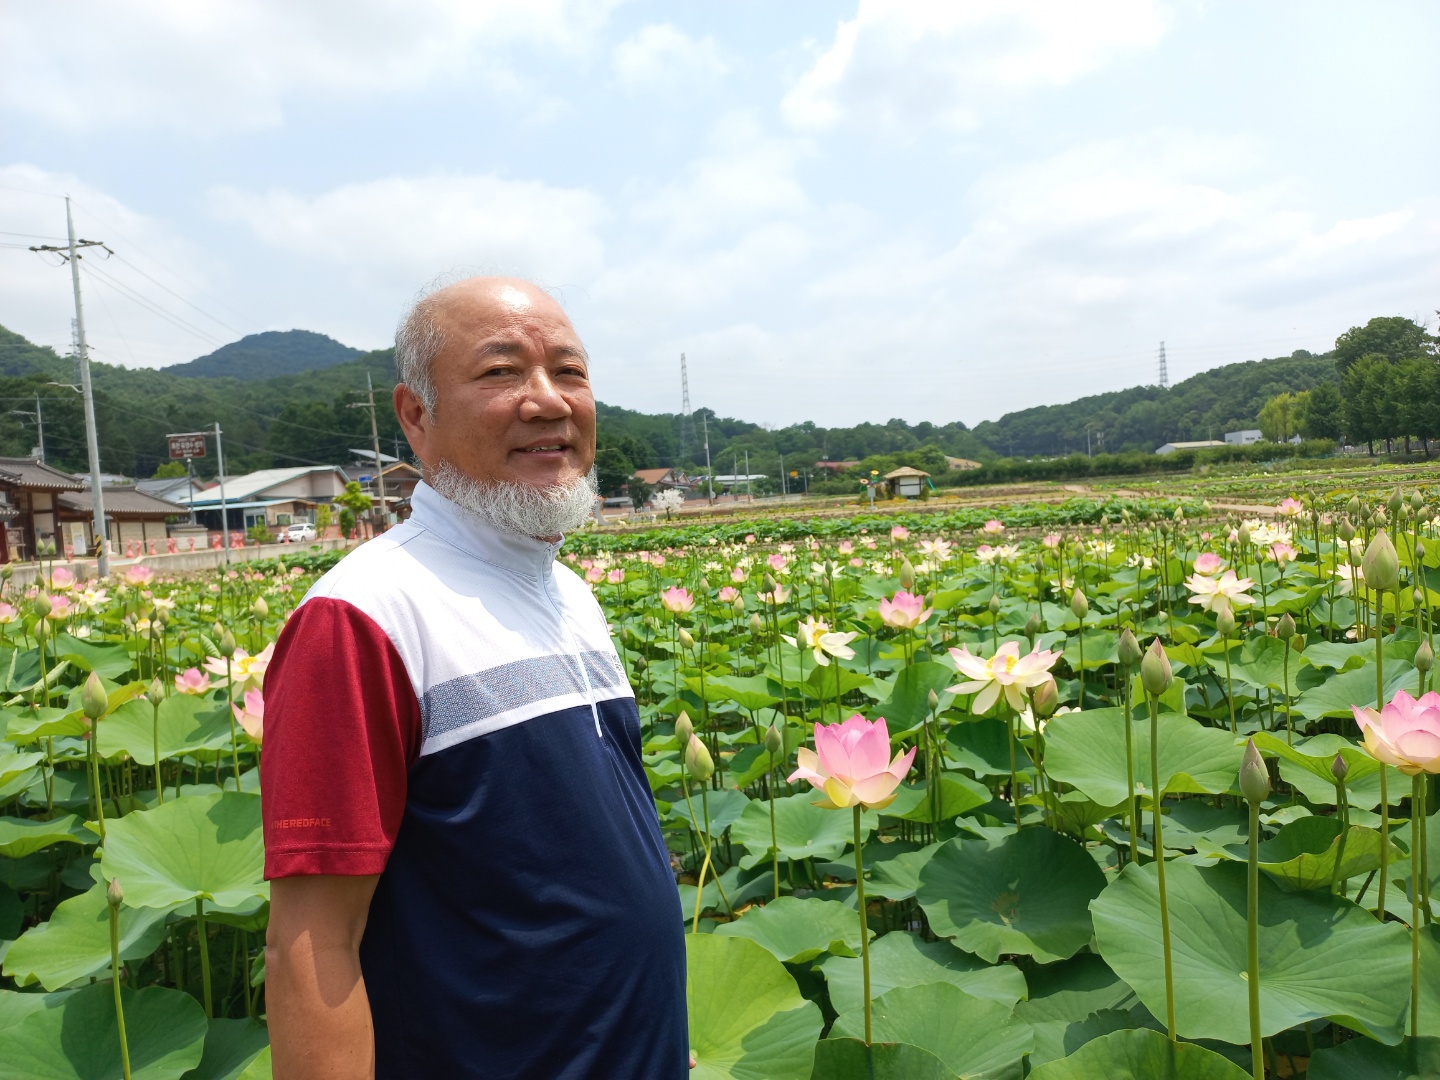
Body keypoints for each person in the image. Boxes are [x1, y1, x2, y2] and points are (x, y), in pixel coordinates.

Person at [261, 277, 688, 1079]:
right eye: (500, 373)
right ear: (416, 417)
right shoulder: (363, 617)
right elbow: (309, 949)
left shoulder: (568, 593)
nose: (548, 402)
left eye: (569, 371)